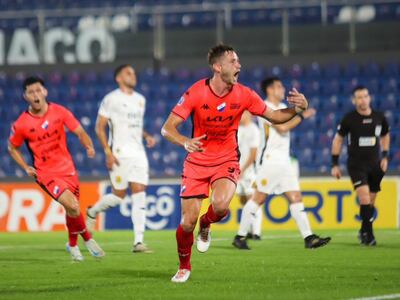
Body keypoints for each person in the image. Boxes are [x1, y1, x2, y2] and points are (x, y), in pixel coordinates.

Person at [161, 44, 309, 283]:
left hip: (226, 159)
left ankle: (206, 223)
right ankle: (184, 266)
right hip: (197, 161)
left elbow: (274, 117)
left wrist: (298, 109)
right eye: (233, 61)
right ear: (218, 67)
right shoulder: (196, 92)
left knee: (219, 207)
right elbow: (167, 128)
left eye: (238, 61)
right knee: (187, 222)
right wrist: (184, 141)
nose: (239, 65)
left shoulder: (244, 94)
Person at [8, 76, 105, 262]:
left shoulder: (59, 112)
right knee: (73, 205)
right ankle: (88, 239)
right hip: (45, 173)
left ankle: (72, 245)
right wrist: (25, 167)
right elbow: (12, 148)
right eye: (31, 92)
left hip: (67, 168)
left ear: (45, 92)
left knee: (72, 210)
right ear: (25, 96)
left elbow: (79, 131)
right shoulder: (21, 124)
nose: (35, 95)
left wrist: (88, 146)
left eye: (38, 90)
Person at [233, 77, 331, 250]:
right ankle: (240, 236)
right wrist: (301, 115)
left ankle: (308, 237)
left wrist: (300, 108)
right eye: (279, 87)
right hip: (270, 160)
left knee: (295, 197)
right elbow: (282, 127)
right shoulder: (265, 107)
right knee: (258, 198)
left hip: (284, 161)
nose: (282, 89)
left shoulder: (281, 108)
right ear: (270, 90)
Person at [85, 64, 156, 253]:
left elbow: (132, 125)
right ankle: (92, 212)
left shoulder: (140, 100)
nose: (133, 75)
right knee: (118, 196)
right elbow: (99, 127)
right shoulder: (111, 99)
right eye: (128, 73)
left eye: (134, 73)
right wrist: (108, 152)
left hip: (139, 154)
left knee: (140, 193)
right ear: (118, 78)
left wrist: (146, 135)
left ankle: (138, 242)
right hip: (119, 154)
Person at [331, 85, 390, 246]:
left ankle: (363, 229)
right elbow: (337, 140)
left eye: (365, 96)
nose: (362, 99)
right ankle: (368, 235)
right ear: (354, 100)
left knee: (370, 202)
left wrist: (385, 156)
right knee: (364, 198)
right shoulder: (349, 119)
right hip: (356, 165)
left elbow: (385, 135)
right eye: (359, 97)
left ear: (369, 98)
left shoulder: (379, 117)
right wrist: (335, 164)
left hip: (375, 165)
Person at [236, 110, 262, 240]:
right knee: (243, 201)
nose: (240, 116)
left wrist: (243, 169)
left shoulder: (254, 130)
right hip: (238, 171)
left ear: (249, 115)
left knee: (252, 199)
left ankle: (256, 232)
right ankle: (250, 228)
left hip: (249, 171)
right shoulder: (237, 129)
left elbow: (253, 154)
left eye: (242, 114)